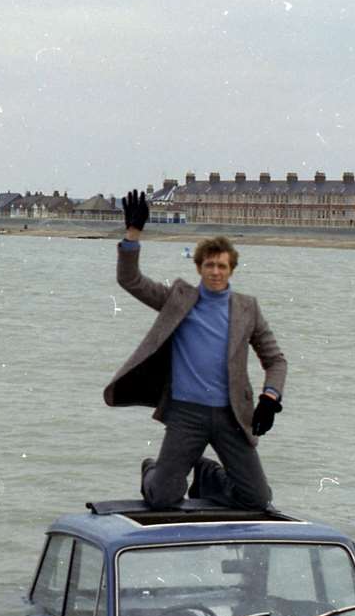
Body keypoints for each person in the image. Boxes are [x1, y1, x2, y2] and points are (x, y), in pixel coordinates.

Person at [103, 189, 287, 509]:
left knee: (257, 499)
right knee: (163, 498)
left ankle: (208, 475)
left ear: (232, 270)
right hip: (186, 414)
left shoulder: (247, 309)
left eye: (222, 266)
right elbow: (130, 280)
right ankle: (153, 470)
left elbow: (276, 360)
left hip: (231, 415)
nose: (216, 272)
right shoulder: (178, 299)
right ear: (199, 267)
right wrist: (132, 234)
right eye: (210, 265)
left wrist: (270, 397)